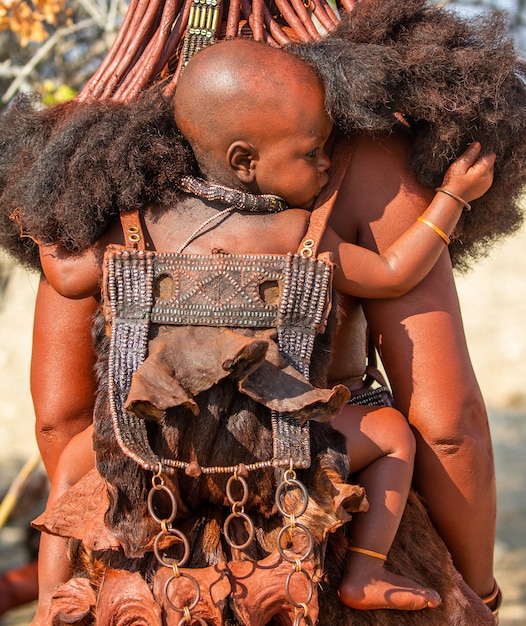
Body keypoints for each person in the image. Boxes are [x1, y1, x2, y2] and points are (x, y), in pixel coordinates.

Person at [28, 39, 495, 623]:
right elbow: (401, 287)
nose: (326, 164)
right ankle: (367, 569)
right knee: (395, 435)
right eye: (313, 152)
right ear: (247, 162)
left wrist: (37, 216)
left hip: (153, 451)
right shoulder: (299, 234)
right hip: (281, 454)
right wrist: (451, 198)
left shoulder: (136, 227)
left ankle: (51, 602)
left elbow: (68, 283)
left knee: (70, 477)